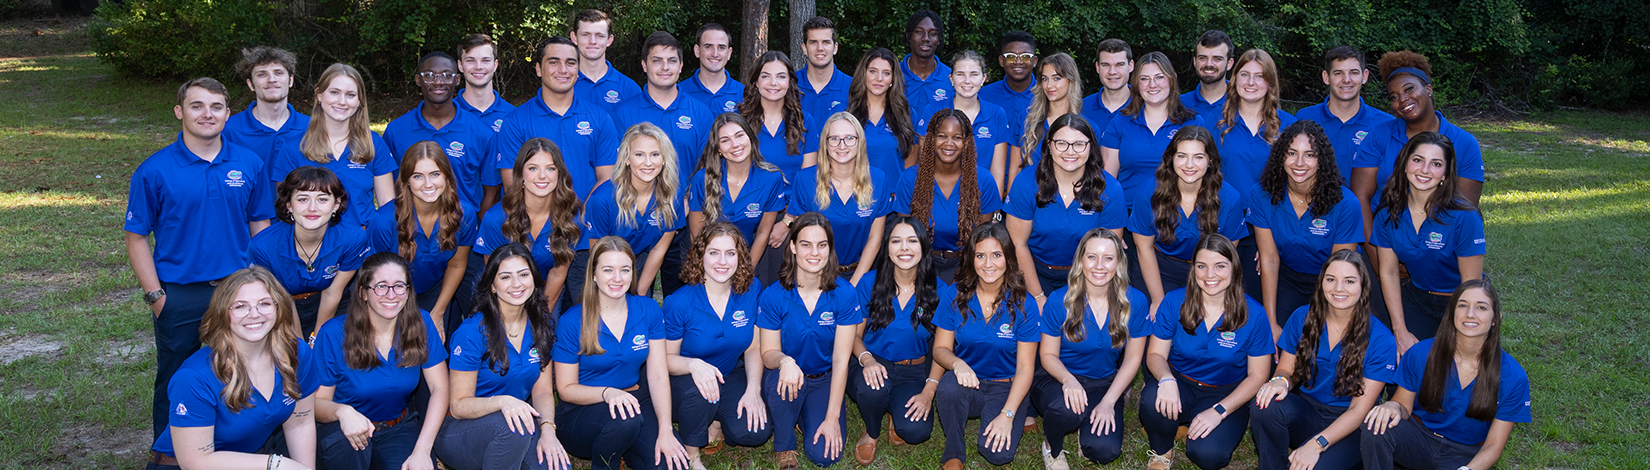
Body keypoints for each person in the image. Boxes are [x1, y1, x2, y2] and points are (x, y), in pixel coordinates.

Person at [127, 77, 275, 437]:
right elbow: (136, 238)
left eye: (216, 107)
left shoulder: (249, 163)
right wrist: (156, 296)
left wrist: (261, 281)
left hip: (236, 290)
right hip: (180, 294)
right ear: (180, 112)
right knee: (176, 380)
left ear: (228, 113)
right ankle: (168, 455)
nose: (207, 114)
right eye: (197, 106)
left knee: (240, 371)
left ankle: (232, 445)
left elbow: (261, 225)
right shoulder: (155, 169)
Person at [146, 266, 316, 470]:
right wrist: (276, 464)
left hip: (254, 458)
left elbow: (300, 423)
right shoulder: (194, 377)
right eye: (240, 306)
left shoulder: (297, 354)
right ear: (222, 313)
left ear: (279, 308)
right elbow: (196, 462)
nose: (254, 314)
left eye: (264, 303)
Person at [552, 236, 691, 470]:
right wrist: (607, 393)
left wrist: (666, 429)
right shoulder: (572, 321)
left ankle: (631, 450)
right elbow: (565, 389)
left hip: (634, 401)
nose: (617, 278)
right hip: (582, 412)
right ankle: (605, 463)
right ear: (594, 274)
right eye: (608, 270)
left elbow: (657, 375)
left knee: (673, 464)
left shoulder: (647, 309)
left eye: (625, 270)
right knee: (625, 421)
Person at [1360, 279, 1530, 470]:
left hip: (1464, 455)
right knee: (1375, 426)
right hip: (1420, 439)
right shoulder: (1421, 353)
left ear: (1495, 319)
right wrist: (1391, 407)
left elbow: (1493, 446)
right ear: (1451, 313)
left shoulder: (1513, 376)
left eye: (1481, 308)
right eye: (1463, 305)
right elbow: (1402, 405)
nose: (1470, 314)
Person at [1251, 250, 1397, 470]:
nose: (1339, 288)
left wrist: (1316, 444)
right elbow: (1284, 370)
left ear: (1363, 287)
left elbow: (1358, 410)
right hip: (1308, 410)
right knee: (1266, 401)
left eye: (1349, 281)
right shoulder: (1302, 316)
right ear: (1321, 283)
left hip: (1349, 424)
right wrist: (1280, 381)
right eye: (1331, 279)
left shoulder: (1381, 339)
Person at [1140, 234, 1274, 470]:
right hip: (1181, 382)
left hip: (1224, 393)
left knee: (1209, 455)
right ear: (1194, 270)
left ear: (1234, 269)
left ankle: (1191, 424)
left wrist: (1220, 411)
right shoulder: (1174, 301)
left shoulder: (1255, 313)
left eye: (1220, 266)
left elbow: (1258, 375)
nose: (1210, 275)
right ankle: (1162, 451)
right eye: (1202, 266)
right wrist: (1166, 379)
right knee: (1152, 401)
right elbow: (1155, 355)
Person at [432, 243, 569, 470]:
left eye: (524, 275)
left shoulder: (540, 325)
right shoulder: (471, 332)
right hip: (463, 431)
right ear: (493, 286)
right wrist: (502, 402)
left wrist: (547, 430)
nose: (516, 284)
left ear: (534, 279)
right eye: (505, 277)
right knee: (512, 428)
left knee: (557, 466)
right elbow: (458, 406)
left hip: (519, 425)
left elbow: (543, 391)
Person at [313, 253, 450, 470]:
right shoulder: (333, 333)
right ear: (363, 293)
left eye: (399, 286)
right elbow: (318, 404)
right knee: (348, 447)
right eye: (381, 286)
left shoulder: (421, 323)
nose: (391, 294)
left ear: (407, 292)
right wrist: (343, 412)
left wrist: (423, 449)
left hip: (396, 427)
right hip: (344, 432)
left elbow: (440, 388)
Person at [1031, 229, 1150, 468]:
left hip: (1103, 381)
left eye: (1108, 258)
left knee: (1104, 451)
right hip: (1057, 377)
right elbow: (1047, 355)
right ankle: (1052, 448)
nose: (1099, 266)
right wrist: (1068, 380)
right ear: (1080, 261)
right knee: (1067, 411)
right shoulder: (1059, 300)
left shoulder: (1134, 301)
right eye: (1092, 257)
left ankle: (1088, 423)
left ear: (1118, 262)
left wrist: (1108, 402)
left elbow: (1132, 360)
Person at [662, 222, 775, 469]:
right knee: (699, 392)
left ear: (740, 257)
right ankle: (692, 455)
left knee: (755, 432)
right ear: (700, 255)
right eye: (713, 252)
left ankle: (716, 419)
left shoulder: (751, 288)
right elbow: (666, 360)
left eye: (730, 253)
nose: (722, 261)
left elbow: (753, 347)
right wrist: (694, 365)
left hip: (727, 373)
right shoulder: (678, 303)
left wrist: (753, 390)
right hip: (684, 382)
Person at [757, 212, 862, 469]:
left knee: (825, 456)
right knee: (781, 386)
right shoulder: (774, 295)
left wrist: (832, 417)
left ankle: (805, 415)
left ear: (829, 249)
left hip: (823, 378)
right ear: (792, 247)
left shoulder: (845, 293)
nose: (814, 253)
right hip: (786, 377)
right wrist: (785, 361)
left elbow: (840, 360)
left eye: (821, 245)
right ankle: (785, 444)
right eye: (806, 244)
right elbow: (768, 352)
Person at [932, 222, 1040, 469]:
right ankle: (953, 455)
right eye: (980, 255)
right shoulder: (955, 294)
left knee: (998, 454)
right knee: (948, 387)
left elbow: (1025, 368)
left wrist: (1007, 415)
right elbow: (940, 349)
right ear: (971, 259)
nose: (988, 264)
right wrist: (957, 364)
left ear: (1008, 258)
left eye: (996, 255)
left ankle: (1011, 414)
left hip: (1006, 387)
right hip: (969, 383)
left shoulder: (1025, 304)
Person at [1370, 132, 1485, 352]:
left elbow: (1470, 285)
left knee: (1450, 374)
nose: (1424, 169)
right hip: (1417, 299)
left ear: (1445, 174)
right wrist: (1400, 330)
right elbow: (1390, 273)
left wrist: (1459, 329)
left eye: (1436, 164)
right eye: (1418, 160)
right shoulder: (1387, 214)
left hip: (1459, 302)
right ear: (1404, 164)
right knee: (1403, 374)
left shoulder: (1464, 217)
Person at [1245, 121, 1365, 329]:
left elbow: (1340, 271)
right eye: (1291, 153)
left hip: (1335, 281)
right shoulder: (1262, 194)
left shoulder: (1346, 203)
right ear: (1281, 156)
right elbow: (1270, 260)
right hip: (1289, 277)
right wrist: (1271, 322)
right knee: (1276, 336)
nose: (1299, 162)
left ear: (1322, 160)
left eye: (1310, 155)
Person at [847, 215, 945, 464]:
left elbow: (944, 347)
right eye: (896, 241)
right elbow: (854, 337)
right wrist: (867, 360)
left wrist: (928, 391)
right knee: (873, 389)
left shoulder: (940, 290)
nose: (904, 248)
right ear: (887, 248)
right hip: (872, 363)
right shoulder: (869, 282)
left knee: (916, 432)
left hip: (912, 371)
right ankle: (872, 431)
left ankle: (893, 410)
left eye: (912, 240)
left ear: (923, 246)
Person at [1352, 50, 1486, 226]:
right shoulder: (1379, 135)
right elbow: (1360, 197)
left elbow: (1465, 211)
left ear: (1428, 89)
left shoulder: (1464, 143)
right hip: (1383, 238)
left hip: (1439, 242)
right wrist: (1375, 251)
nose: (1403, 99)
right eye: (1394, 96)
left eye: (1409, 89)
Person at [1006, 113, 1128, 305]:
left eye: (1079, 144)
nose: (1070, 151)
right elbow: (1017, 244)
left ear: (1090, 147)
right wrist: (1037, 297)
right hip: (1033, 272)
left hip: (1087, 275)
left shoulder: (1110, 189)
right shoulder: (1026, 182)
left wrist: (1085, 296)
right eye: (1061, 143)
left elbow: (1108, 252)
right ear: (1049, 146)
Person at [488, 36, 621, 202]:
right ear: (538, 69)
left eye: (571, 63)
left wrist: (582, 218)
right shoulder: (515, 122)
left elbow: (606, 180)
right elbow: (512, 186)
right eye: (553, 62)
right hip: (534, 224)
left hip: (586, 222)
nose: (563, 69)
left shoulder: (600, 118)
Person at [368, 142, 480, 338]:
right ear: (406, 181)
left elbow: (456, 265)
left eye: (435, 174)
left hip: (436, 290)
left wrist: (438, 313)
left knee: (435, 347)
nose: (428, 184)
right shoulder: (383, 222)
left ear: (446, 176)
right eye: (418, 176)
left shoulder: (464, 214)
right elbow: (375, 280)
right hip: (391, 294)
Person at [1129, 126, 1249, 309]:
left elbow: (1224, 257)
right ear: (1171, 159)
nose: (1189, 165)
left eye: (1198, 157)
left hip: (1206, 271)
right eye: (1182, 156)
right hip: (1159, 267)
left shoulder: (1229, 198)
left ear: (1210, 161)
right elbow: (1144, 248)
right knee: (1157, 320)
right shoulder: (1149, 193)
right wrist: (1158, 301)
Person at [268, 63, 396, 230]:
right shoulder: (293, 148)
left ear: (359, 101)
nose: (342, 102)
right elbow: (286, 210)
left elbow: (387, 209)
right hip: (313, 246)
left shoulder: (373, 143)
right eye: (334, 92)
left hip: (364, 245)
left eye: (350, 95)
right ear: (319, 95)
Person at [250, 167, 368, 336]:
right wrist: (300, 345)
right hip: (282, 306)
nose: (312, 208)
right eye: (303, 199)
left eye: (322, 199)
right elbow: (284, 300)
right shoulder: (263, 246)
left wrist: (317, 337)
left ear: (336, 204)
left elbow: (332, 292)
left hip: (332, 302)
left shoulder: (353, 238)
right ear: (289, 205)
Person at [893, 109, 1002, 283]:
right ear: (931, 139)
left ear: (966, 142)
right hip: (921, 264)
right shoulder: (909, 179)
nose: (949, 143)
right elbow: (905, 236)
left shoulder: (983, 180)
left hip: (966, 265)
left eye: (957, 137)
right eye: (942, 136)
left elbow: (981, 237)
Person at [476, 138, 581, 315]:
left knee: (544, 336)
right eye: (533, 168)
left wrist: (538, 319)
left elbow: (557, 274)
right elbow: (495, 276)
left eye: (550, 168)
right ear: (521, 174)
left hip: (546, 291)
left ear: (559, 174)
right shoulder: (495, 218)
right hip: (503, 290)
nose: (542, 176)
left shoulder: (571, 216)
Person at [582, 123, 685, 299]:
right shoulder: (603, 199)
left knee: (638, 309)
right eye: (639, 155)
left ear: (664, 159)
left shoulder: (671, 196)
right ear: (627, 159)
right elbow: (597, 253)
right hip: (596, 261)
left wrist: (640, 294)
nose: (648, 162)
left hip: (640, 259)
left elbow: (658, 250)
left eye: (655, 154)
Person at [785, 112, 890, 284]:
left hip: (860, 275)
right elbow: (802, 240)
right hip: (815, 275)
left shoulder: (877, 179)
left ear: (860, 142)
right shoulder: (804, 180)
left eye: (849, 138)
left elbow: (874, 238)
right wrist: (820, 280)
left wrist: (855, 284)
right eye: (834, 139)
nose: (842, 145)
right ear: (825, 143)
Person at [384, 52, 494, 210]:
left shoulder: (481, 133)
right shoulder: (396, 131)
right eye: (429, 75)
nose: (438, 82)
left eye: (446, 75)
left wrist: (476, 229)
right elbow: (391, 185)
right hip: (412, 229)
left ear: (457, 80)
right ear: (417, 80)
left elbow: (491, 191)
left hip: (463, 228)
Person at [685, 113, 787, 284]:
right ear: (718, 148)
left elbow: (763, 233)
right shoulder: (703, 179)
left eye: (739, 135)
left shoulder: (771, 178)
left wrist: (746, 273)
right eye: (725, 140)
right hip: (707, 254)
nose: (735, 144)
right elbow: (697, 234)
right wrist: (711, 272)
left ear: (750, 137)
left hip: (747, 253)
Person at [1100, 51, 1206, 215]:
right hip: (1128, 214)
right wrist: (1113, 229)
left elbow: (1204, 177)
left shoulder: (1193, 122)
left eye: (1159, 77)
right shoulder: (1120, 122)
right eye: (1144, 79)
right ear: (1137, 84)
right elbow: (1108, 182)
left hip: (1178, 216)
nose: (1152, 84)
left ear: (1172, 79)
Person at [616, 31, 716, 187]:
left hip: (686, 208)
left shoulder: (701, 113)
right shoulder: (622, 114)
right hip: (636, 208)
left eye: (672, 61)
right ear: (644, 65)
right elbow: (618, 169)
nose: (665, 67)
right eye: (657, 61)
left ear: (680, 66)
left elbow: (708, 168)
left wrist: (689, 200)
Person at [1293, 46, 1395, 182]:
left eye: (1353, 72)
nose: (1346, 79)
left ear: (1364, 76)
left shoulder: (1386, 124)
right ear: (1326, 77)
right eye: (1338, 73)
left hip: (1367, 204)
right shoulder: (1303, 118)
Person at [917, 50, 1013, 193]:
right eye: (960, 74)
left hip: (981, 199)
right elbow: (925, 162)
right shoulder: (933, 111)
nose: (967, 81)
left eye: (974, 74)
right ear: (951, 79)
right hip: (940, 197)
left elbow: (997, 172)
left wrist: (996, 211)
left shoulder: (997, 114)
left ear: (984, 78)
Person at [1217, 48, 1298, 197]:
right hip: (1224, 214)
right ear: (1235, 78)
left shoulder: (1289, 124)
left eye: (1259, 76)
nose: (1251, 82)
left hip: (1271, 214)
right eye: (1245, 75)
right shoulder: (1216, 121)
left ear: (1270, 82)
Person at [456, 33, 517, 213]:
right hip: (456, 220)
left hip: (503, 219)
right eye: (470, 60)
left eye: (485, 60)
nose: (478, 67)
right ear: (460, 65)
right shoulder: (448, 114)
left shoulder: (513, 116)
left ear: (495, 65)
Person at [738, 51, 819, 183]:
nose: (773, 83)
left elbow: (807, 179)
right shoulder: (740, 121)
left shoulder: (805, 121)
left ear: (789, 82)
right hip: (753, 202)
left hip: (794, 202)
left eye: (781, 77)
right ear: (757, 82)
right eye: (765, 76)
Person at [223, 46, 310, 168]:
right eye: (262, 74)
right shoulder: (229, 130)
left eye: (278, 73)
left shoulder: (312, 128)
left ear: (290, 80)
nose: (272, 80)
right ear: (251, 84)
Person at [1010, 53, 1085, 183]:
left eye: (1056, 78)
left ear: (1071, 80)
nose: (1049, 85)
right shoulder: (1026, 119)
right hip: (1028, 198)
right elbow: (1015, 169)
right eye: (1045, 79)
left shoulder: (1086, 127)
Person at [847, 47, 919, 180]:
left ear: (893, 78)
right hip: (855, 196)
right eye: (873, 71)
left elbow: (910, 167)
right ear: (864, 73)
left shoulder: (906, 114)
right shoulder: (847, 114)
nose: (879, 78)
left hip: (894, 197)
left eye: (886, 73)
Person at [570, 9, 641, 114]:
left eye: (600, 36)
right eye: (585, 35)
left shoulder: (630, 89)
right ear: (574, 38)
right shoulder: (563, 84)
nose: (592, 41)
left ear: (609, 40)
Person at [978, 31, 1038, 143]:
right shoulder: (984, 96)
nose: (1018, 62)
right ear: (1001, 60)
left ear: (1034, 61)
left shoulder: (1046, 95)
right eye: (1011, 56)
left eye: (1025, 57)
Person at [679, 23, 746, 115]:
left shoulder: (743, 94)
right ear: (697, 51)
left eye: (721, 47)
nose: (715, 54)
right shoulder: (680, 93)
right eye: (708, 47)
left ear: (729, 53)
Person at [901, 10, 955, 114]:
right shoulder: (893, 75)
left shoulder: (951, 78)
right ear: (909, 36)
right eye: (919, 32)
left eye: (933, 33)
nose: (926, 38)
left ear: (939, 39)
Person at [798, 16, 852, 121]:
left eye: (826, 42)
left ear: (835, 48)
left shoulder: (852, 88)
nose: (820, 48)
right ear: (805, 48)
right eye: (813, 42)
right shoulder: (789, 84)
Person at [1080, 39, 1134, 138]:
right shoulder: (1082, 108)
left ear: (1130, 66)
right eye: (1106, 65)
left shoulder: (1145, 106)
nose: (1112, 72)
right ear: (1097, 67)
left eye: (1119, 65)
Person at [1180, 30, 1234, 126]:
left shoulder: (1241, 103)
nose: (1209, 64)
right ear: (1195, 62)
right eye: (1203, 58)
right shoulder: (1179, 105)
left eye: (1217, 59)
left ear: (1229, 64)